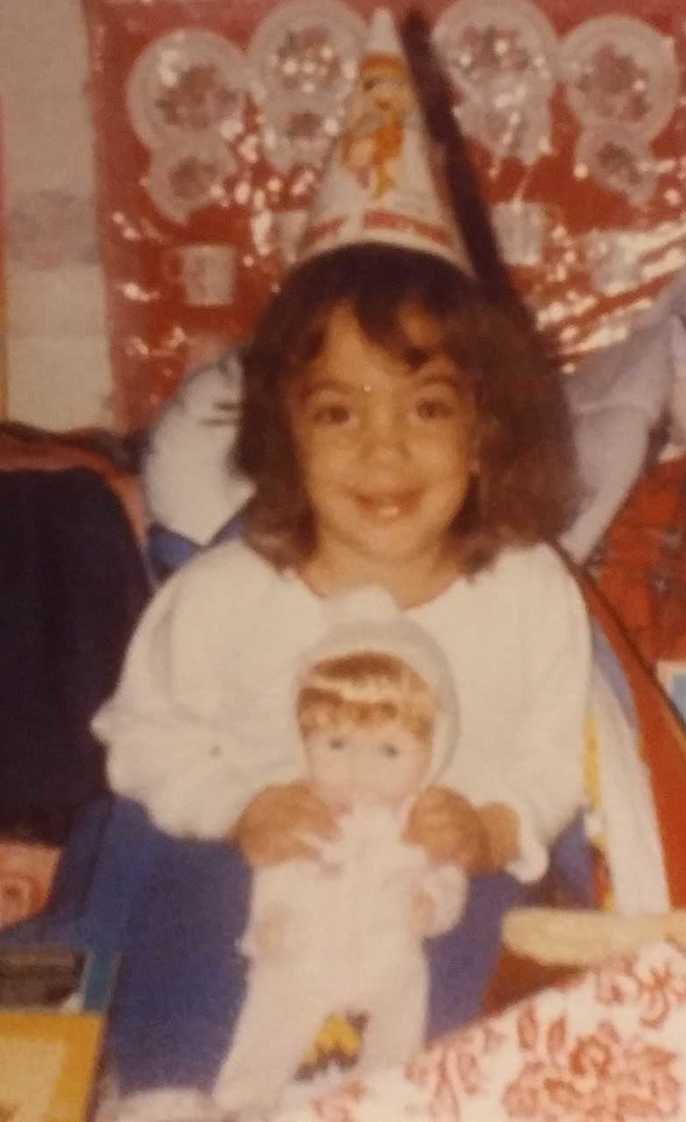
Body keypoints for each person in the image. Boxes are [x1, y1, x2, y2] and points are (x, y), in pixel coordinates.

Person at [91, 6, 595, 1099]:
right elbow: (145, 738)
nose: (382, 449)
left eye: (424, 409)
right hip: (268, 860)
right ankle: (172, 1083)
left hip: (428, 868)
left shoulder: (524, 590)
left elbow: (559, 752)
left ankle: (404, 1084)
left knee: (483, 930)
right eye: (338, 414)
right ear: (284, 428)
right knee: (183, 889)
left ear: (486, 430)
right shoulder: (227, 593)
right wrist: (234, 807)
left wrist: (494, 819)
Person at [214, 586, 467, 1114]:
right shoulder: (305, 812)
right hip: (303, 950)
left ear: (431, 751)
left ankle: (383, 1104)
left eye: (389, 750)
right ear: (302, 743)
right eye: (336, 745)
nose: (360, 766)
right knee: (271, 1015)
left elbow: (446, 874)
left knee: (398, 1030)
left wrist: (435, 904)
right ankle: (243, 1104)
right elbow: (275, 872)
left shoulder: (419, 821)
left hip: (388, 954)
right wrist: (271, 920)